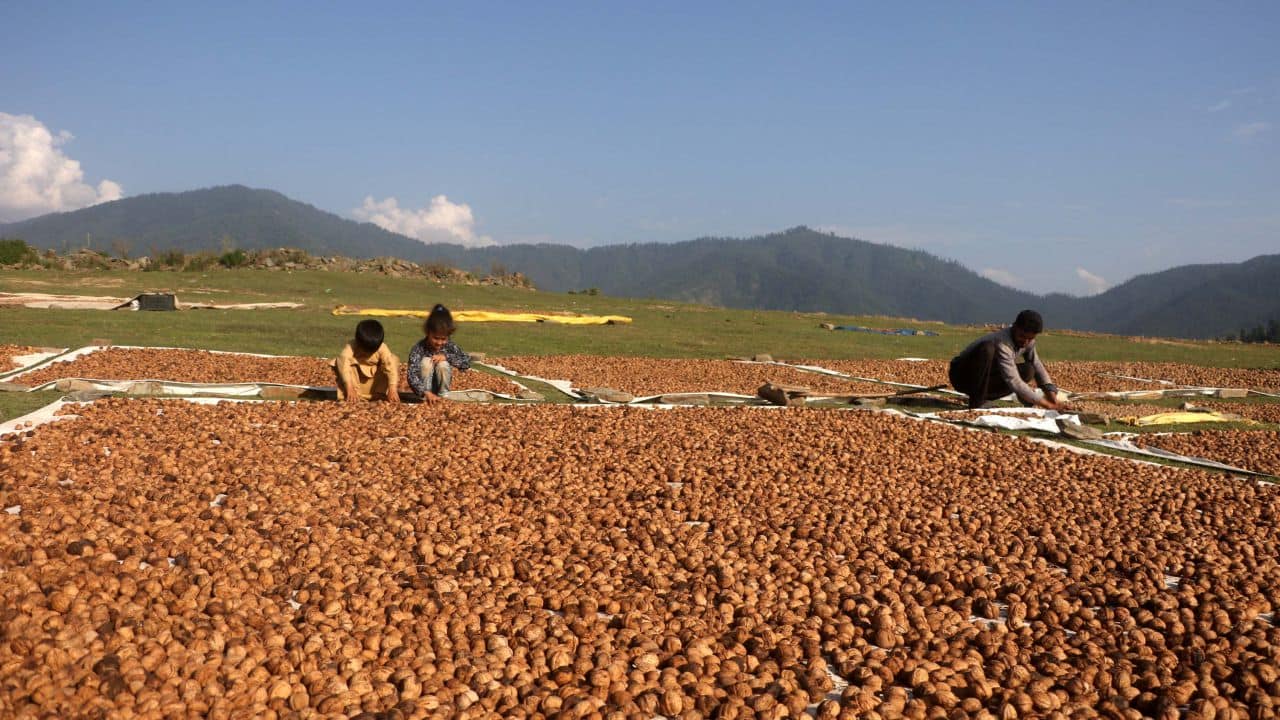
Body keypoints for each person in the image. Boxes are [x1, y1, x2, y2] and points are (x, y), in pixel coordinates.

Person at [949, 309, 1062, 410]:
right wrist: (1044, 403)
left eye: (1030, 338)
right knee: (987, 349)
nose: (1026, 342)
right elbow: (1013, 380)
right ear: (1014, 327)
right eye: (1022, 336)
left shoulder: (1029, 342)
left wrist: (1051, 394)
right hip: (961, 375)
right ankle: (977, 402)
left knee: (1028, 370)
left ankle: (983, 397)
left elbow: (1037, 365)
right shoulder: (1003, 342)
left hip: (986, 377)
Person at [407, 304, 471, 404]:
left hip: (441, 390)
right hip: (424, 392)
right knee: (426, 362)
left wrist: (446, 357)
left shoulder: (449, 346)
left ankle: (443, 396)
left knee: (443, 364)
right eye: (436, 338)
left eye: (443, 339)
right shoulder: (419, 348)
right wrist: (424, 392)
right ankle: (427, 396)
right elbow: (411, 374)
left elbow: (466, 362)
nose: (439, 342)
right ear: (428, 332)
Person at [331, 319, 400, 403]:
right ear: (358, 341)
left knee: (393, 359)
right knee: (341, 361)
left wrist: (392, 388)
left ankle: (380, 394)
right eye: (365, 350)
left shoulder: (382, 348)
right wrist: (349, 387)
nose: (368, 354)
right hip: (353, 387)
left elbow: (390, 367)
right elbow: (343, 362)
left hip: (375, 386)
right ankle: (351, 395)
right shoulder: (352, 346)